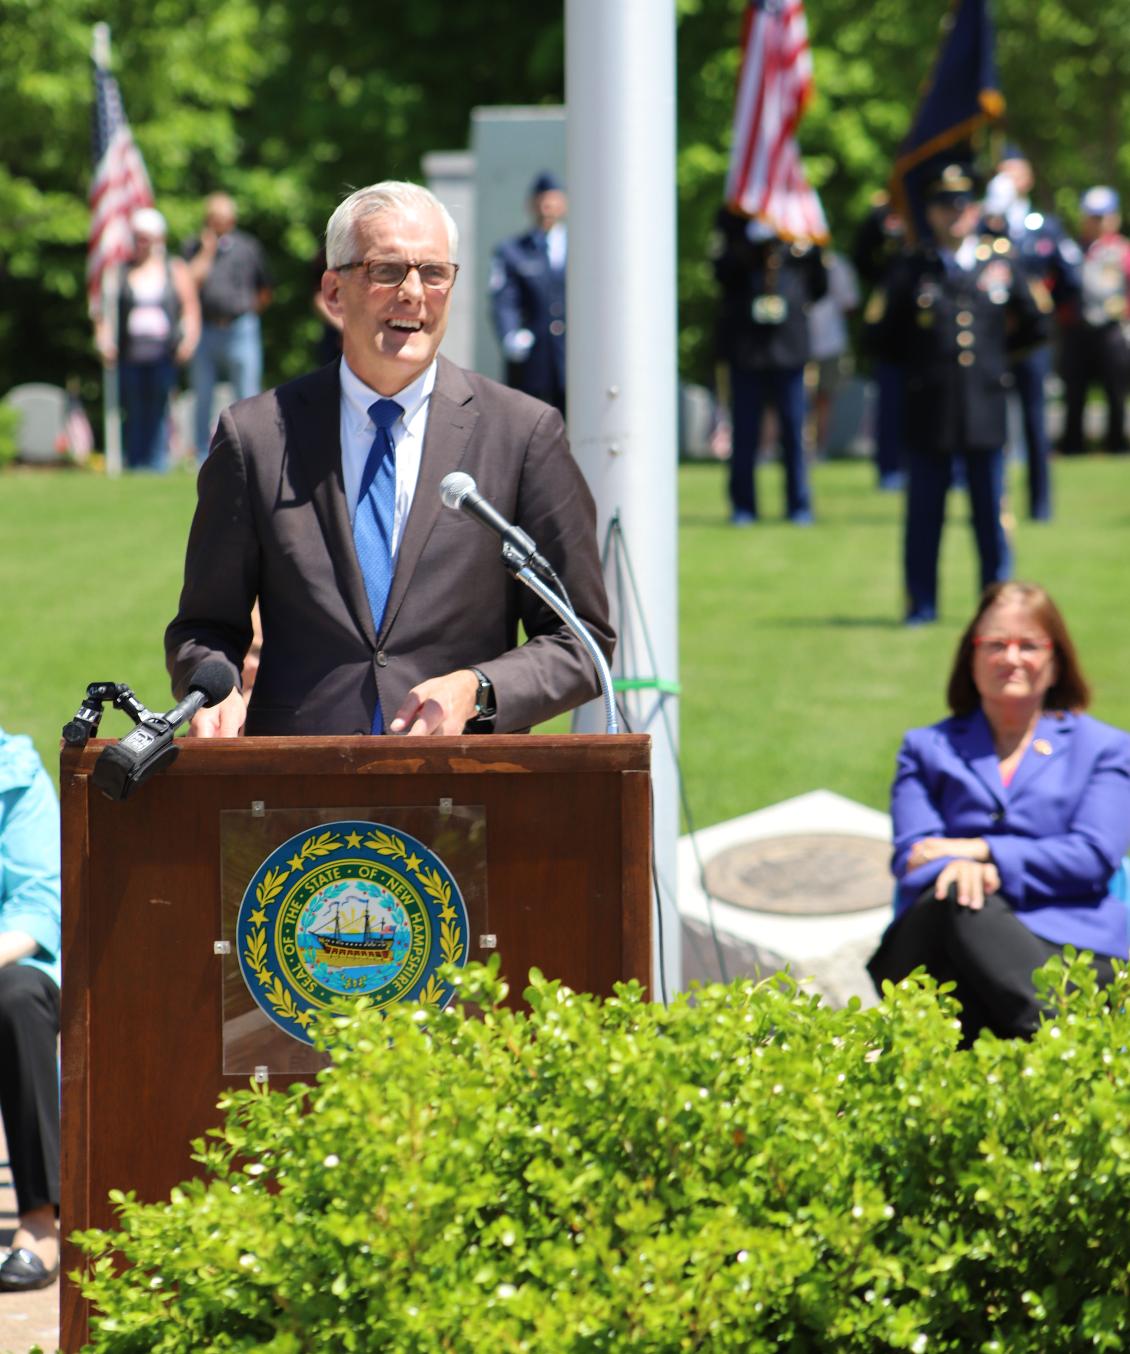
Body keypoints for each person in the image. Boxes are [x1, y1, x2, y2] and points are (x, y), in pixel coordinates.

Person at [165, 180, 613, 738]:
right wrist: (215, 690)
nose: (413, 293)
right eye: (386, 271)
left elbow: (581, 640)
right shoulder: (255, 436)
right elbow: (204, 627)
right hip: (300, 796)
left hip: (464, 795)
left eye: (433, 272)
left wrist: (479, 688)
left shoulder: (522, 434)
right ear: (333, 293)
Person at [867, 581, 1130, 1045]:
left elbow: (1093, 855)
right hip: (942, 944)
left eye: (1028, 645)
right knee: (960, 900)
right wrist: (961, 871)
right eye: (995, 644)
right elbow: (914, 854)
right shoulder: (926, 749)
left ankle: (1040, 1037)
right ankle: (1057, 1044)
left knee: (967, 915)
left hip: (1071, 951)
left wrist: (981, 852)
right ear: (971, 657)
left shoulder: (1105, 749)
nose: (1011, 658)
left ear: (1056, 660)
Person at [865, 164, 1050, 625]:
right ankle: (921, 604)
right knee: (925, 517)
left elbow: (1036, 325)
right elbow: (881, 338)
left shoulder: (999, 263)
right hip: (930, 409)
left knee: (990, 517)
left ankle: (997, 608)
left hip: (984, 406)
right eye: (946, 206)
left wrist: (996, 364)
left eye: (963, 205)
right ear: (931, 212)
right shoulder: (913, 268)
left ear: (974, 210)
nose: (955, 214)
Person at [711, 207, 827, 525]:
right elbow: (722, 274)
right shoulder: (734, 221)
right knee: (745, 433)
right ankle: (743, 506)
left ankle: (799, 504)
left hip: (788, 347)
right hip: (746, 348)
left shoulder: (800, 224)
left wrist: (800, 247)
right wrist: (748, 243)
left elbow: (819, 286)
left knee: (794, 429)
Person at [985, 153, 1082, 518]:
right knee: (990, 423)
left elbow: (1069, 276)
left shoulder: (1043, 226)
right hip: (992, 340)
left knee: (1034, 422)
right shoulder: (986, 226)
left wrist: (1043, 312)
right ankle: (994, 499)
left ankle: (1040, 504)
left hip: (1031, 341)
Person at [0, 729, 61, 1292]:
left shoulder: (14, 774)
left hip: (8, 960)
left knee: (15, 996)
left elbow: (38, 905)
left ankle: (40, 1223)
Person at [94, 207, 200, 472]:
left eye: (147, 238)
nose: (142, 244)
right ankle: (135, 460)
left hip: (163, 352)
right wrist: (104, 340)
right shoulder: (118, 272)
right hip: (131, 352)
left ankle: (157, 462)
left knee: (159, 406)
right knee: (134, 407)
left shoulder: (173, 269)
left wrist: (189, 339)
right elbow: (103, 312)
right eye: (138, 238)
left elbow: (189, 306)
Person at [183, 192, 274, 461]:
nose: (219, 224)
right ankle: (202, 453)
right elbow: (187, 284)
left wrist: (248, 313)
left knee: (247, 394)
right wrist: (207, 251)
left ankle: (249, 450)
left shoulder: (248, 247)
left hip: (240, 328)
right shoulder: (193, 246)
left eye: (223, 219)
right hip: (205, 330)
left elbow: (265, 288)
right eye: (213, 219)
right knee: (202, 395)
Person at [1058, 185, 1130, 455]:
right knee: (1074, 391)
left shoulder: (1123, 249)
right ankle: (1072, 444)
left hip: (1111, 329)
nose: (1097, 223)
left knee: (1115, 391)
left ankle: (1116, 443)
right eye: (1092, 217)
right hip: (1077, 329)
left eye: (1102, 217)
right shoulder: (1072, 248)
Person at [488, 171, 568, 413]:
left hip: (572, 358)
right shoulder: (512, 251)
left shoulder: (580, 247)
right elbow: (504, 299)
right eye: (542, 200)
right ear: (531, 205)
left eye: (553, 199)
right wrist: (510, 334)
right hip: (533, 360)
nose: (548, 206)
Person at [852, 192, 908, 490]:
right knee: (890, 401)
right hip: (893, 330)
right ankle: (890, 467)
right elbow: (862, 257)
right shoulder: (883, 218)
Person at [805, 249, 860, 456]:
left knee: (824, 397)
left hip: (830, 342)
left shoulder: (837, 264)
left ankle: (818, 447)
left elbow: (849, 304)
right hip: (796, 341)